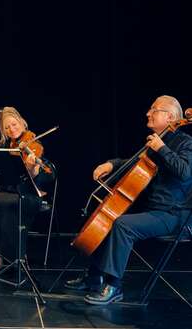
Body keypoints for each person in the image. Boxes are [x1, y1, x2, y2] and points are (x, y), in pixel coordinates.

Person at [65, 95, 192, 305]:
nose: (148, 113)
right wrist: (111, 165)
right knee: (108, 213)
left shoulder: (185, 142)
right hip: (154, 209)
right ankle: (94, 278)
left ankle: (114, 286)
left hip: (174, 214)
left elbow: (185, 172)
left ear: (170, 117)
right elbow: (134, 162)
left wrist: (162, 148)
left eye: (154, 109)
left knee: (123, 225)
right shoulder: (157, 141)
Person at [0, 107, 55, 268]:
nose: (11, 129)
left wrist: (32, 169)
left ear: (22, 123)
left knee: (10, 203)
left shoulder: (33, 143)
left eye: (14, 125)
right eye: (7, 127)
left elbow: (47, 175)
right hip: (10, 192)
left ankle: (10, 256)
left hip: (30, 195)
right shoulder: (3, 144)